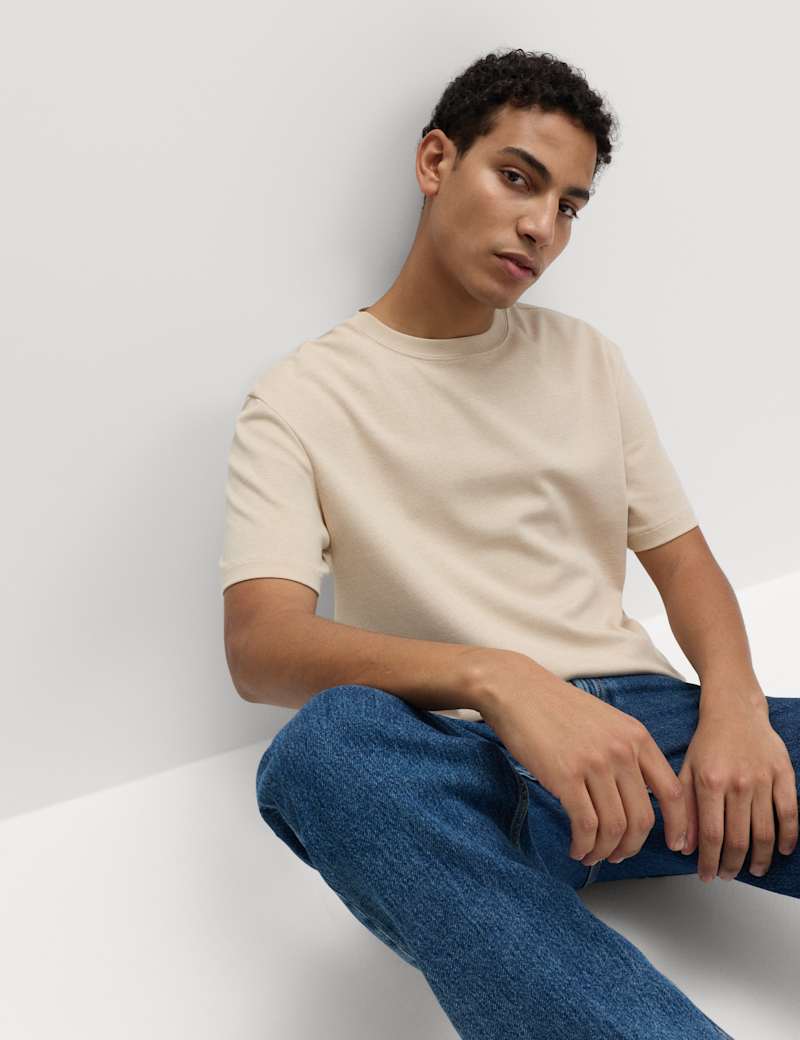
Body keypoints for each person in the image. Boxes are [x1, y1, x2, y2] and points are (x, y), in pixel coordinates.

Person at [219, 47, 798, 1038]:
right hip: (469, 758)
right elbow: (260, 645)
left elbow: (685, 562)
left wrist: (734, 710)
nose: (541, 226)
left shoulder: (586, 360)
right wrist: (499, 679)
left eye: (569, 206)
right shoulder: (300, 398)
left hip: (656, 738)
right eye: (518, 178)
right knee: (323, 754)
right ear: (435, 161)